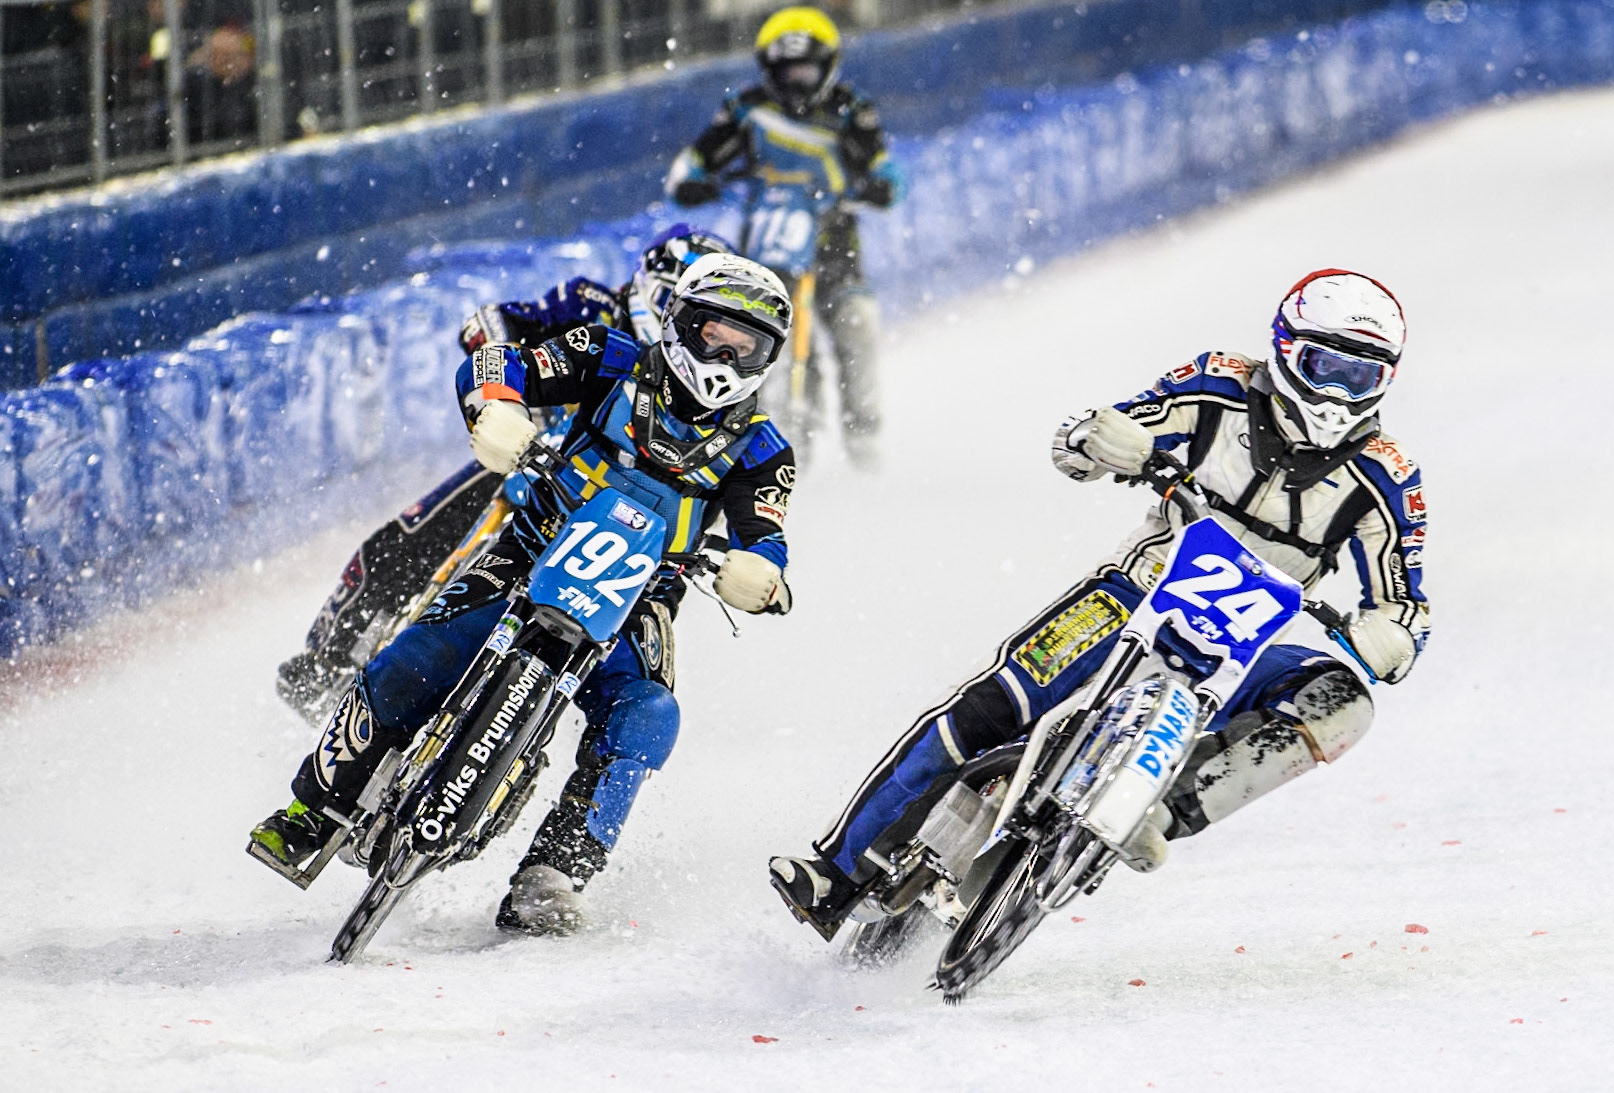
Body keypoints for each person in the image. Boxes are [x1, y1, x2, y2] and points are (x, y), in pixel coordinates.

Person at [769, 269, 1431, 938]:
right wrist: (1104, 440)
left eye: (1360, 376)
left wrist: (1392, 637)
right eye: (1325, 366)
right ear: (1286, 349)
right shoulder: (1217, 385)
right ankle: (837, 872)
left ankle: (1156, 811)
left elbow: (1408, 602)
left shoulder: (1387, 477)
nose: (1336, 393)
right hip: (1131, 596)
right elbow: (1081, 441)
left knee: (1344, 702)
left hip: (1242, 647)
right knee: (989, 705)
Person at [252, 253, 799, 935]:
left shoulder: (762, 448)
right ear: (680, 322)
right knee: (419, 652)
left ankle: (554, 872)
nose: (725, 353)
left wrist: (758, 571)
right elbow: (498, 364)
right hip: (531, 547)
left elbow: (766, 535)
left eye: (747, 346)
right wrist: (500, 410)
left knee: (647, 715)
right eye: (714, 332)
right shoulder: (609, 354)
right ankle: (316, 806)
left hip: (639, 603)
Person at [276, 228, 735, 725]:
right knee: (413, 531)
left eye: (714, 328)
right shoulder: (588, 304)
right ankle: (324, 662)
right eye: (689, 315)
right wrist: (507, 398)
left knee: (643, 646)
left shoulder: (720, 392)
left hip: (612, 515)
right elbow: (493, 323)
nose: (705, 340)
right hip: (530, 456)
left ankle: (567, 737)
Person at [664, 5, 902, 467]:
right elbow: (690, 166)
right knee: (760, 337)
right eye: (787, 71)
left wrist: (879, 185)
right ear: (770, 70)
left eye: (807, 70)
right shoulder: (746, 109)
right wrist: (695, 182)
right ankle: (774, 442)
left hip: (834, 239)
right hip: (767, 245)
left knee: (858, 324)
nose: (798, 81)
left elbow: (886, 170)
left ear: (828, 67)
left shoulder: (851, 110)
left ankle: (864, 438)